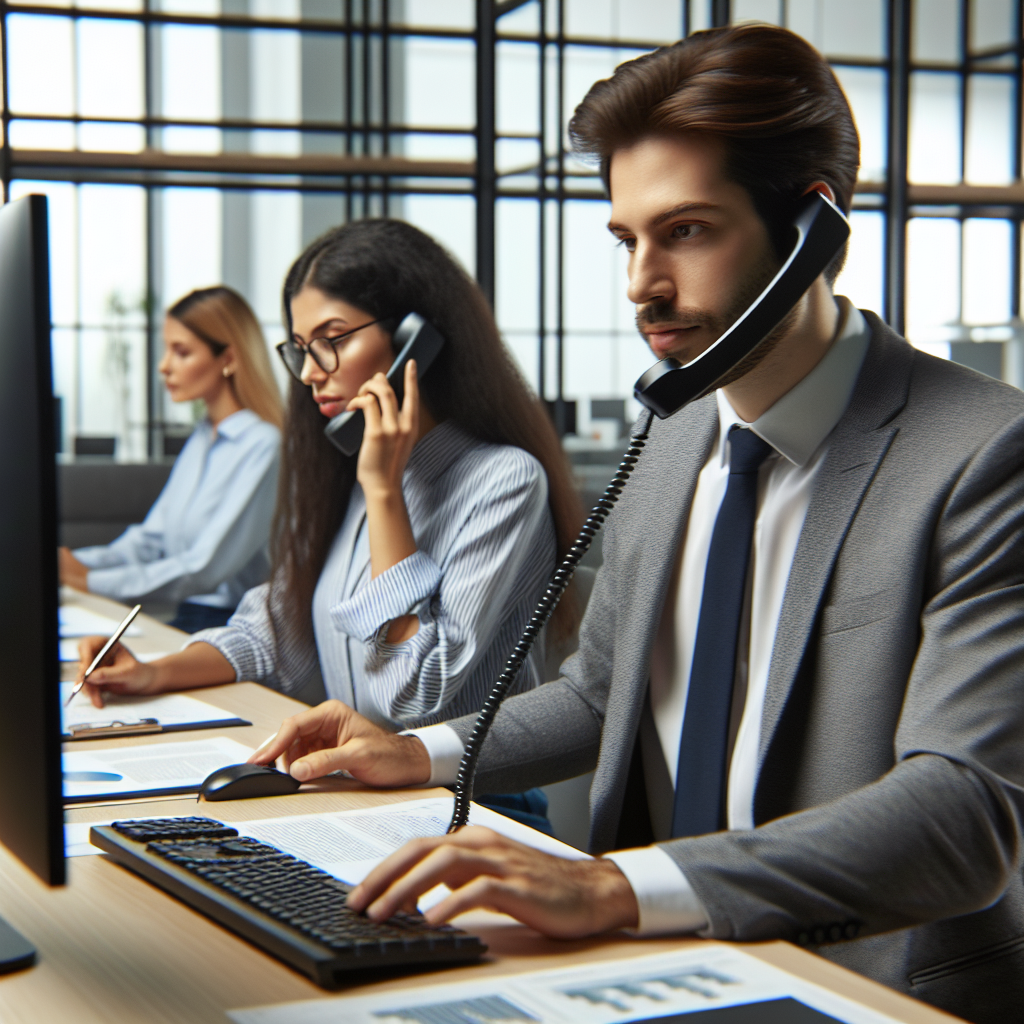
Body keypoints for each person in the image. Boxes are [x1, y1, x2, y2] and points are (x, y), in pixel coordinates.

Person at [242, 25, 1024, 1024]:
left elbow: (964, 815)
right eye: (626, 238)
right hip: (652, 960)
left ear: (813, 229)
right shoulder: (672, 438)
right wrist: (421, 749)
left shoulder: (981, 451)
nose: (641, 286)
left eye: (686, 231)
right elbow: (602, 693)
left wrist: (619, 886)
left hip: (865, 981)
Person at [76, 220, 581, 825]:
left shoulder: (503, 480)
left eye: (332, 338)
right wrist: (152, 672)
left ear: (418, 340)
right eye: (299, 347)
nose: (311, 371)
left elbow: (412, 697)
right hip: (367, 794)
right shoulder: (354, 472)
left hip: (471, 811)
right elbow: (276, 629)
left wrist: (384, 492)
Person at [60, 286, 283, 632]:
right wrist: (74, 563)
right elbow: (150, 542)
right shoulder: (201, 437)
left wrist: (89, 581)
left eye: (181, 352)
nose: (164, 366)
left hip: (238, 628)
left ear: (228, 359)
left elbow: (204, 569)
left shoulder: (265, 446)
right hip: (186, 616)